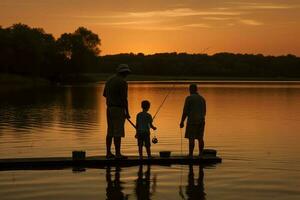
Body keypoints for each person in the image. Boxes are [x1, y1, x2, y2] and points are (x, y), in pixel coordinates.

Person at [103, 64, 131, 159]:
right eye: (126, 73)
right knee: (118, 132)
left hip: (109, 108)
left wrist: (112, 98)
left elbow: (104, 94)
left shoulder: (109, 80)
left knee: (110, 131)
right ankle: (118, 154)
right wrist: (127, 112)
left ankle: (108, 153)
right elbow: (124, 99)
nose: (127, 74)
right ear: (124, 73)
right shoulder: (123, 82)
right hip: (118, 109)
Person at [180, 84, 206, 158]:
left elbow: (185, 111)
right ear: (196, 89)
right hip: (201, 120)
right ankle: (201, 154)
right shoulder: (202, 98)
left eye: (189, 89)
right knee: (200, 138)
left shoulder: (189, 98)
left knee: (191, 138)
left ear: (191, 89)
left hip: (192, 121)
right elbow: (204, 111)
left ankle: (190, 154)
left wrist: (182, 121)